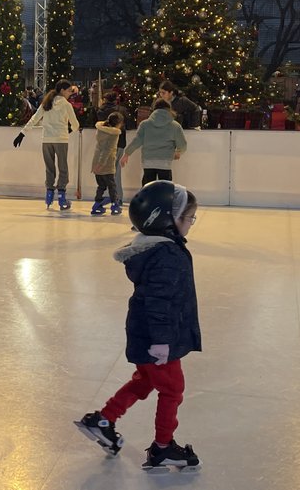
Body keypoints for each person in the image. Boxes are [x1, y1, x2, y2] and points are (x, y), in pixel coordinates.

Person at [75, 180, 202, 471]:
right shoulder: (167, 256)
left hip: (145, 332)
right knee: (172, 390)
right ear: (166, 221)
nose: (191, 223)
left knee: (145, 380)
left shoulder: (156, 249)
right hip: (158, 337)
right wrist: (162, 342)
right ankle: (163, 447)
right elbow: (159, 303)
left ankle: (103, 420)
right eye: (187, 218)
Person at [13, 79, 81, 210]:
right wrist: (69, 130)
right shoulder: (66, 105)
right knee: (63, 168)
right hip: (61, 140)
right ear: (62, 90)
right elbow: (76, 125)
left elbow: (34, 118)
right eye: (68, 91)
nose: (69, 94)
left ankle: (49, 195)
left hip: (47, 140)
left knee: (49, 168)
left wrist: (22, 133)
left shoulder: (46, 103)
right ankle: (61, 197)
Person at [121, 100, 187, 185]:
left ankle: (148, 198)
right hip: (165, 161)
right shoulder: (175, 126)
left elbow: (137, 141)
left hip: (148, 160)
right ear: (169, 109)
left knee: (148, 188)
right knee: (165, 189)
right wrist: (178, 152)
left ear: (154, 109)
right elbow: (182, 144)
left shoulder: (145, 124)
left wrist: (127, 154)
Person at [95, 91, 131, 204]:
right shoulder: (122, 110)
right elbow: (130, 125)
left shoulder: (100, 111)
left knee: (105, 173)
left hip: (103, 146)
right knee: (115, 172)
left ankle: (103, 197)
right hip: (119, 144)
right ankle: (117, 197)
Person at [91, 112, 124, 216]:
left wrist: (97, 164)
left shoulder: (101, 130)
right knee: (112, 186)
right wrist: (101, 164)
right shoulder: (113, 134)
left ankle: (97, 204)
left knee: (101, 186)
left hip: (96, 161)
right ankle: (115, 205)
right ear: (118, 123)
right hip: (107, 164)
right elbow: (107, 150)